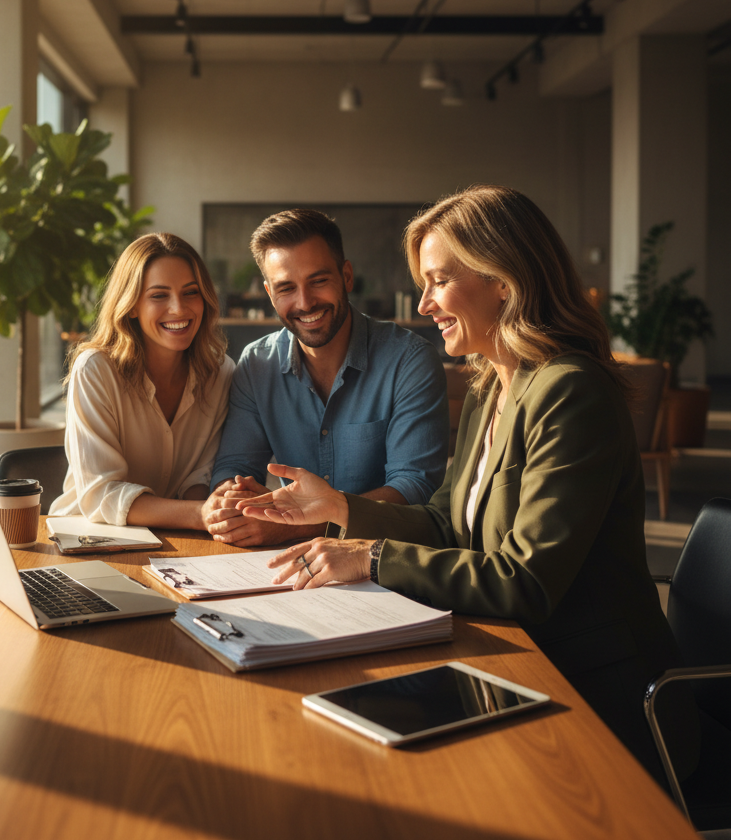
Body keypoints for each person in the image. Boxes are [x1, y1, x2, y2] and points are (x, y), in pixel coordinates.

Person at [235, 185, 697, 785]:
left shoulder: (569, 391)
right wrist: (341, 508)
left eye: (438, 281)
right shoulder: (492, 385)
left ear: (503, 279)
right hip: (512, 664)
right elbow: (450, 523)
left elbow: (524, 583)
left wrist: (371, 558)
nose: (424, 304)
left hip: (598, 698)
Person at [205, 208, 448, 548]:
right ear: (269, 293)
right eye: (286, 288)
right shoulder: (257, 364)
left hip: (387, 562)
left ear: (346, 276)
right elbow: (234, 466)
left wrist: (296, 526)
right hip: (283, 567)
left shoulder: (409, 361)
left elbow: (414, 488)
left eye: (318, 281)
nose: (305, 303)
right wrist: (234, 499)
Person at [49, 233, 235, 528]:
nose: (179, 308)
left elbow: (200, 476)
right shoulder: (96, 370)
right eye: (159, 295)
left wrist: (215, 507)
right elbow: (101, 495)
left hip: (177, 541)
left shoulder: (220, 373)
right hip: (89, 537)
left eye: (191, 292)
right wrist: (201, 514)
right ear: (132, 304)